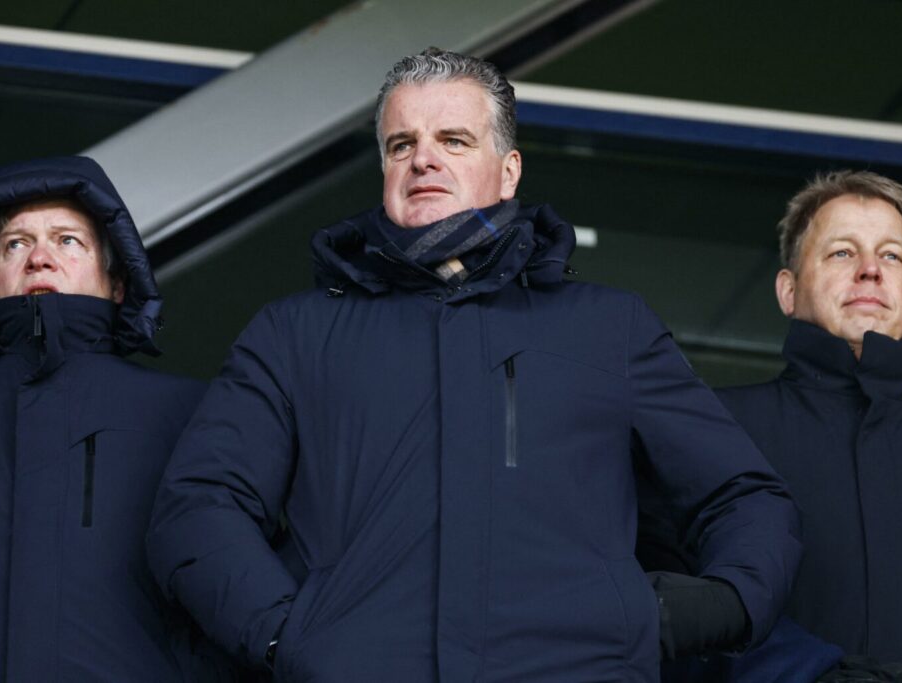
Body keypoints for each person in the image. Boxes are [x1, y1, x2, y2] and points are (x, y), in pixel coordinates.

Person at [147, 48, 801, 682]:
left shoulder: (608, 327)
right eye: (401, 144)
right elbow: (200, 504)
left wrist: (665, 615)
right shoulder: (296, 331)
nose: (423, 157)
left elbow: (742, 497)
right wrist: (288, 635)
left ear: (509, 170)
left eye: (453, 140)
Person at [0, 156, 234, 681]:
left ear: (117, 282)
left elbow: (237, 595)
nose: (39, 257)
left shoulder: (192, 414)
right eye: (14, 243)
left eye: (68, 240)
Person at [639, 170, 902, 681]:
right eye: (842, 252)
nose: (870, 269)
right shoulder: (711, 427)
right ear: (788, 290)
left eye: (891, 255)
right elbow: (663, 609)